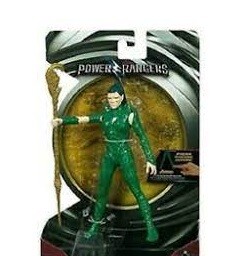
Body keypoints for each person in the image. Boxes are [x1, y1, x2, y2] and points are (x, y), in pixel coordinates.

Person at [53, 82, 158, 242]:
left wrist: (150, 159)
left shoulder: (129, 113)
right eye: (110, 98)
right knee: (102, 192)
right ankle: (95, 225)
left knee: (137, 191)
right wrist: (62, 121)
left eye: (115, 98)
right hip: (109, 155)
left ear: (122, 97)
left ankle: (150, 226)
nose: (112, 101)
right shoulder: (106, 113)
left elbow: (142, 136)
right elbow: (86, 119)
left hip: (124, 154)